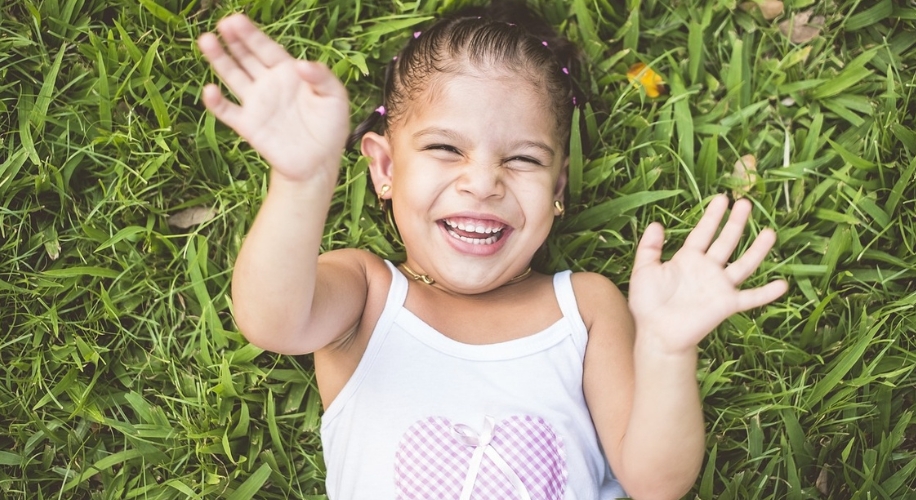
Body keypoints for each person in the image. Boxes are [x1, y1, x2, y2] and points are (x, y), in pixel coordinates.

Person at [196, 2, 788, 498]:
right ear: (383, 167)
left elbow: (656, 482)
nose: (483, 182)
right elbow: (271, 320)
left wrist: (665, 349)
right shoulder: (367, 294)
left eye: (523, 158)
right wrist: (302, 183)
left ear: (556, 192)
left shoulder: (583, 307)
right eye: (446, 149)